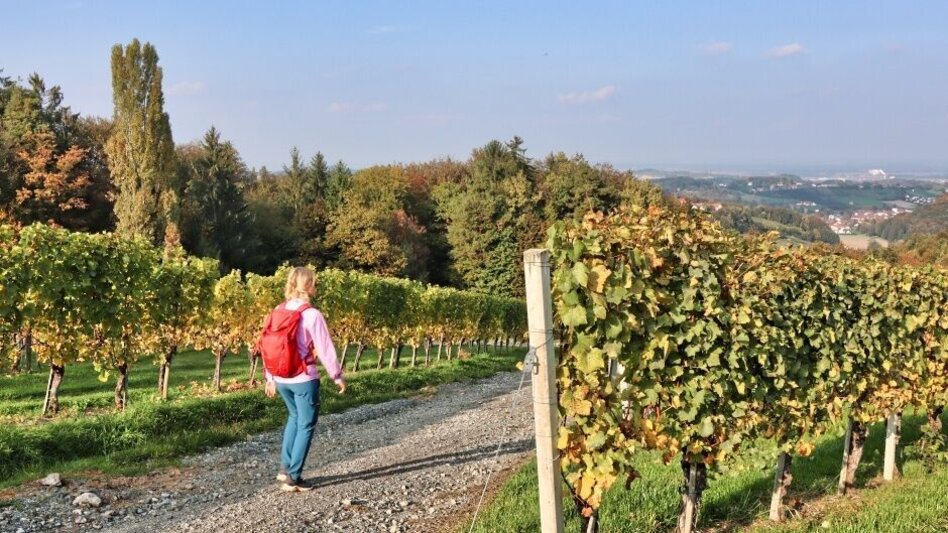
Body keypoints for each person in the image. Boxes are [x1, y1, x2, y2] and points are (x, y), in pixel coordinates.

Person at [263, 267, 346, 492]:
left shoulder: (277, 310)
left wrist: (269, 377)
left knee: (294, 418)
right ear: (308, 285)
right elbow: (325, 348)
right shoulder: (311, 314)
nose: (316, 286)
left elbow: (267, 345)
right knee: (306, 425)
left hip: (280, 379)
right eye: (314, 282)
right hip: (303, 378)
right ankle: (294, 477)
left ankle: (284, 468)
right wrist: (336, 375)